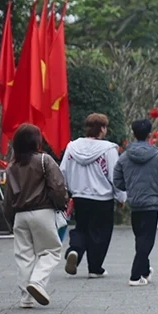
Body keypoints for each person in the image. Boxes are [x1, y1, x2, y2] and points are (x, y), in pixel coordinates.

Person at [4, 124, 69, 307]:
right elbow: (57, 186)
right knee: (51, 251)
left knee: (24, 256)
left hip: (19, 215)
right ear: (36, 141)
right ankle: (37, 282)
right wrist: (62, 204)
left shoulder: (12, 167)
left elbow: (8, 197)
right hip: (43, 211)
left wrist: (11, 219)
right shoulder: (44, 160)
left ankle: (26, 297)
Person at [60, 113, 126, 278]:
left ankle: (75, 250)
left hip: (79, 196)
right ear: (102, 129)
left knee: (81, 227)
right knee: (100, 233)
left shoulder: (72, 147)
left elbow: (63, 171)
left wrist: (66, 191)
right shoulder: (108, 149)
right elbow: (115, 176)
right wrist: (121, 197)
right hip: (102, 198)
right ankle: (95, 268)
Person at [113, 119, 158, 287]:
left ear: (133, 134)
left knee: (140, 238)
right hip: (152, 204)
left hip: (135, 202)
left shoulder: (124, 157)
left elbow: (117, 180)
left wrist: (130, 188)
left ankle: (145, 270)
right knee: (146, 239)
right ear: (150, 134)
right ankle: (135, 276)